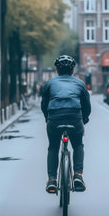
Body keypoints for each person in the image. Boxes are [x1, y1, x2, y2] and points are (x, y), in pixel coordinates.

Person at [41, 55, 91, 193]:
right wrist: (84, 119)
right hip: (75, 118)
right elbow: (87, 105)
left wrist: (48, 118)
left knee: (53, 147)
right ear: (73, 70)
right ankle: (78, 176)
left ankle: (52, 180)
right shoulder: (80, 83)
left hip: (54, 119)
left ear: (57, 69)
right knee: (78, 145)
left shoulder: (49, 83)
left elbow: (44, 105)